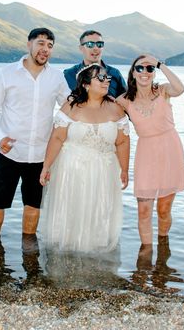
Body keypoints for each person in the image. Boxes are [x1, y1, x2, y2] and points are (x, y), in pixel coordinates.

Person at [0, 28, 70, 240]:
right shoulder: (6, 74)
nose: (45, 49)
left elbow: (70, 106)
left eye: (49, 46)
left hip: (41, 155)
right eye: (40, 43)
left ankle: (28, 251)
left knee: (33, 205)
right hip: (8, 151)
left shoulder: (57, 77)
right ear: (28, 44)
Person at [39, 63, 130, 252]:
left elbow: (122, 142)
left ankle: (95, 257)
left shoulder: (116, 109)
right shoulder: (71, 107)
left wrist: (125, 169)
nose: (107, 81)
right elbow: (57, 138)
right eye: (101, 78)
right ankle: (67, 254)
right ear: (86, 84)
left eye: (108, 78)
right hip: (71, 168)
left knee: (99, 208)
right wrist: (46, 167)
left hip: (104, 170)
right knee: (72, 207)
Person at [116, 55, 184, 246]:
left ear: (154, 72)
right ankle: (146, 256)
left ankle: (163, 248)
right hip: (146, 152)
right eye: (140, 68)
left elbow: (180, 88)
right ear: (133, 73)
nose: (145, 72)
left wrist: (160, 64)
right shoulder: (124, 100)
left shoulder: (163, 90)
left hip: (170, 150)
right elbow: (109, 118)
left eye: (149, 69)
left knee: (164, 209)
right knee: (144, 210)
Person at [63, 30, 127, 99]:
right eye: (90, 45)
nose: (96, 48)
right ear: (81, 48)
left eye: (99, 44)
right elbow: (63, 101)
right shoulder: (68, 74)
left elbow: (126, 100)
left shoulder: (115, 73)